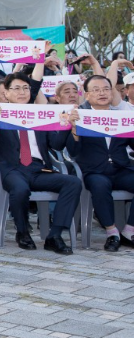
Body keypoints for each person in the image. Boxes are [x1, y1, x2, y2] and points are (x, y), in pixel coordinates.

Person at [0, 73, 81, 254]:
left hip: (39, 168)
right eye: (16, 88)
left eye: (26, 88)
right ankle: (23, 232)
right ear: (6, 94)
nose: (22, 92)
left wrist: (66, 126)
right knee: (20, 189)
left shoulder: (41, 115)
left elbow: (56, 145)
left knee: (73, 182)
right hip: (13, 169)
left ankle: (54, 235)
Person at [65, 75, 134, 251]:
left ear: (112, 92)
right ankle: (112, 233)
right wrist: (74, 130)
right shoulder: (80, 116)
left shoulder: (123, 117)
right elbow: (72, 151)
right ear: (87, 95)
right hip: (94, 171)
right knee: (100, 185)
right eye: (96, 90)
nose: (102, 93)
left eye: (105, 89)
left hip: (120, 168)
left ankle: (129, 231)